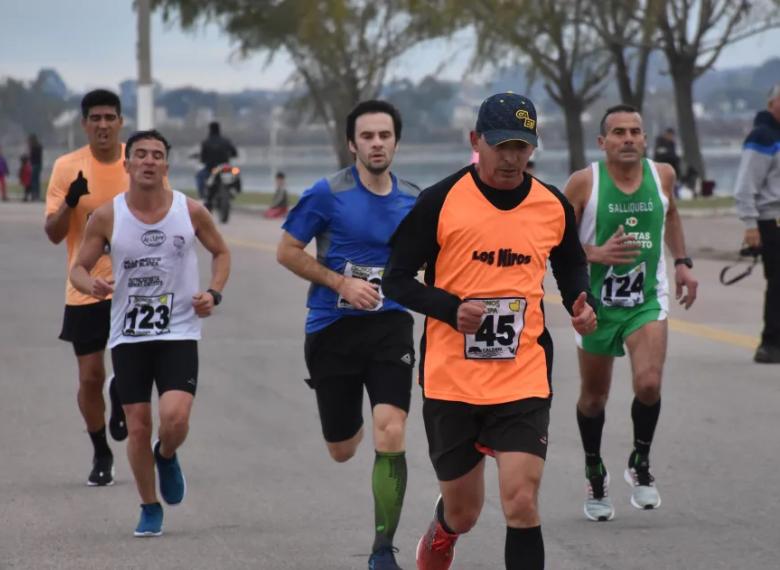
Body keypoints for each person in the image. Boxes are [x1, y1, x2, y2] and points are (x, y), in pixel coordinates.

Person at [383, 92, 597, 570]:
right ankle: (443, 530)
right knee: (465, 511)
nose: (511, 158)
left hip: (521, 375)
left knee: (521, 501)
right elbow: (395, 279)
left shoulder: (552, 205)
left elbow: (571, 264)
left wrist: (584, 301)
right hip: (452, 381)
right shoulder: (439, 201)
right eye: (501, 145)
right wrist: (448, 308)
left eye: (522, 147)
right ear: (475, 140)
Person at [276, 100, 420, 570]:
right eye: (367, 136)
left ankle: (383, 549)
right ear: (351, 143)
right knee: (342, 449)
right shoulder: (327, 193)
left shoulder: (414, 200)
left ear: (396, 141)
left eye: (384, 135)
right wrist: (341, 283)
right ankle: (349, 425)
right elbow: (287, 251)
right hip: (332, 328)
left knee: (391, 431)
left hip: (390, 324)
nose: (377, 144)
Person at [70, 129, 230, 537]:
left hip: (178, 329)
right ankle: (148, 505)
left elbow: (221, 252)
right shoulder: (107, 215)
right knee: (138, 425)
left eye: (156, 155)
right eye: (140, 154)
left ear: (166, 165)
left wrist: (213, 293)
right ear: (127, 164)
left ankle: (167, 453)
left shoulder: (189, 210)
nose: (148, 161)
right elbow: (78, 268)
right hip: (128, 334)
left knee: (173, 419)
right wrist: (92, 286)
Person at [562, 104, 698, 523]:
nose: (628, 139)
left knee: (649, 384)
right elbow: (555, 244)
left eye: (635, 132)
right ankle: (594, 470)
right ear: (602, 142)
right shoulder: (584, 184)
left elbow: (671, 214)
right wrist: (593, 253)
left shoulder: (663, 176)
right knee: (594, 398)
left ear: (645, 138)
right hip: (597, 306)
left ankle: (640, 461)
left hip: (646, 301)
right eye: (618, 132)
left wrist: (682, 262)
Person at [44, 89, 131, 487]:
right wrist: (70, 203)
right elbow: (52, 233)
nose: (102, 125)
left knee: (134, 370)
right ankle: (100, 451)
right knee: (91, 377)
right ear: (84, 124)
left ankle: (123, 394)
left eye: (109, 117)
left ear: (120, 122)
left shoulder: (140, 161)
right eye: (94, 118)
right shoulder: (67, 168)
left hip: (136, 286)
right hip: (85, 288)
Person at [733, 84, 780, 364]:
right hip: (771, 221)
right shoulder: (762, 137)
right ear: (772, 103)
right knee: (778, 284)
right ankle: (770, 343)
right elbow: (745, 186)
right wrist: (750, 224)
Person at [194, 121, 238, 202]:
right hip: (225, 167)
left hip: (211, 168)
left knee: (199, 176)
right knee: (236, 173)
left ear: (210, 130)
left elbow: (203, 158)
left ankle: (202, 195)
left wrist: (202, 159)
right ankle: (235, 189)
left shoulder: (206, 142)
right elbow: (234, 153)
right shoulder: (226, 141)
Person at [28, 134, 44, 201]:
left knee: (33, 181)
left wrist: (30, 164)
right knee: (37, 181)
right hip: (39, 165)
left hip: (34, 165)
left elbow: (31, 158)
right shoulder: (39, 147)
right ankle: (37, 195)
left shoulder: (33, 147)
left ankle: (34, 195)